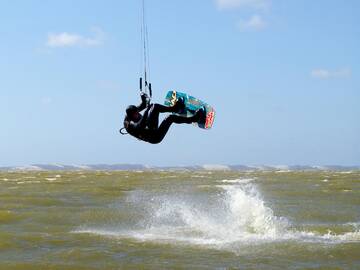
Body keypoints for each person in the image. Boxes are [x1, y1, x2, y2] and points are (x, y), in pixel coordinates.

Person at [123, 93, 204, 144]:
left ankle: (175, 109)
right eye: (136, 114)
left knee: (156, 107)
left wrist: (143, 98)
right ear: (131, 116)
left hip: (150, 127)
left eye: (137, 112)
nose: (137, 114)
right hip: (154, 137)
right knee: (170, 118)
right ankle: (194, 119)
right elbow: (141, 125)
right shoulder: (129, 124)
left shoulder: (133, 111)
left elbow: (143, 105)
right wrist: (146, 111)